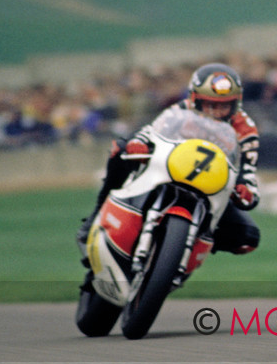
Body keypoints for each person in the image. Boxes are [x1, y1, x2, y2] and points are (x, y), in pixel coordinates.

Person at [76, 62, 261, 261]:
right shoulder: (180, 110)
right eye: (210, 104)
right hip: (169, 175)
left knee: (248, 237)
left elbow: (248, 170)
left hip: (212, 190)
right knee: (120, 150)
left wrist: (246, 189)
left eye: (225, 105)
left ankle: (189, 246)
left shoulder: (246, 128)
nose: (217, 111)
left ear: (236, 103)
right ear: (195, 99)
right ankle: (98, 213)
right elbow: (149, 132)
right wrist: (138, 144)